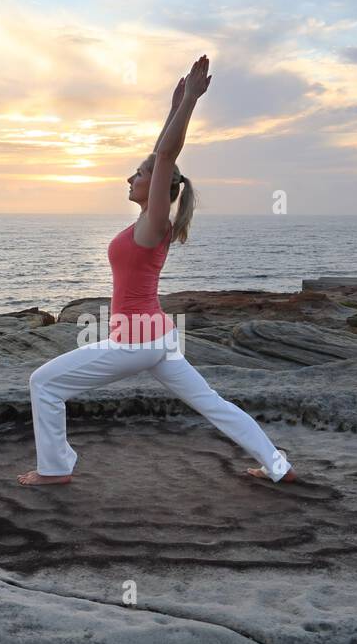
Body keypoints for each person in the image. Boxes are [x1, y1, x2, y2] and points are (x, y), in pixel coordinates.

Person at [17, 56, 295, 487]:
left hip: (137, 341)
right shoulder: (148, 222)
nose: (130, 177)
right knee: (212, 402)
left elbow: (166, 154)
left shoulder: (154, 225)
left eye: (140, 174)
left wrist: (189, 103)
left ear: (159, 186)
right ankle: (278, 465)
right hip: (158, 337)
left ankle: (55, 468)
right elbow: (160, 153)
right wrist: (173, 108)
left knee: (44, 383)